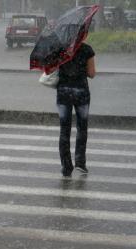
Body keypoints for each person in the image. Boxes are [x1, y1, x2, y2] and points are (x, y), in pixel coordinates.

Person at [56, 41, 95, 177]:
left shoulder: (60, 49)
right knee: (82, 128)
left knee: (64, 130)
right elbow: (91, 73)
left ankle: (66, 167)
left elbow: (51, 68)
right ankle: (80, 163)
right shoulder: (86, 49)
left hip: (63, 93)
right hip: (81, 93)